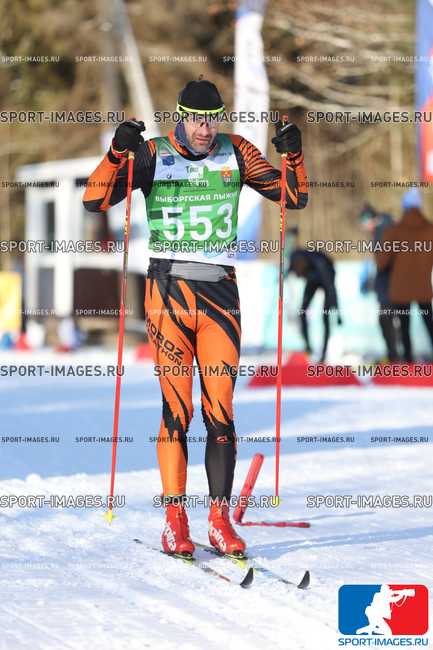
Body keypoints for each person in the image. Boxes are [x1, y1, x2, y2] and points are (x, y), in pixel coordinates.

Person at [83, 79, 308, 557]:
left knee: (220, 411)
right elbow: (95, 201)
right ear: (181, 117)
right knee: (177, 411)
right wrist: (117, 153)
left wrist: (294, 156)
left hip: (220, 294)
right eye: (197, 120)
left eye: (213, 119)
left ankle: (219, 521)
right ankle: (175, 520)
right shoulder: (153, 153)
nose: (206, 129)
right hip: (168, 293)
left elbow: (293, 197)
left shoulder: (236, 151)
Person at [375, 189, 433, 363]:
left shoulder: (394, 231)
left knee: (405, 326)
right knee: (429, 323)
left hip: (400, 288)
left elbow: (381, 262)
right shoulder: (430, 229)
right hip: (423, 287)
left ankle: (408, 362)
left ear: (404, 207)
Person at [358, 203, 399, 362]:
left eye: (364, 221)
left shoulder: (382, 229)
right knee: (390, 318)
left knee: (386, 318)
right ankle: (395, 355)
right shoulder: (384, 227)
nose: (363, 226)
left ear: (370, 219)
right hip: (390, 283)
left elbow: (386, 260)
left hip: (391, 284)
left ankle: (395, 357)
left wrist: (375, 281)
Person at [288, 248, 340, 363]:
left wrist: (337, 312)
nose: (298, 276)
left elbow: (331, 289)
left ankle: (323, 354)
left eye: (298, 272)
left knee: (326, 315)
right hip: (313, 277)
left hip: (326, 277)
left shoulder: (321, 266)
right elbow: (288, 272)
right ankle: (308, 348)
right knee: (302, 312)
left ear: (302, 263)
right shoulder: (297, 260)